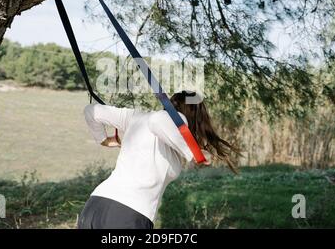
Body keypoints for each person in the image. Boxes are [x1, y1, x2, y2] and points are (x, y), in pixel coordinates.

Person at [77, 91, 240, 229]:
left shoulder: (136, 117)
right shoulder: (176, 119)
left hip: (94, 206)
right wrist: (191, 153)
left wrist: (103, 139)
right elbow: (159, 121)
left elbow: (91, 111)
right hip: (127, 214)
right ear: (195, 114)